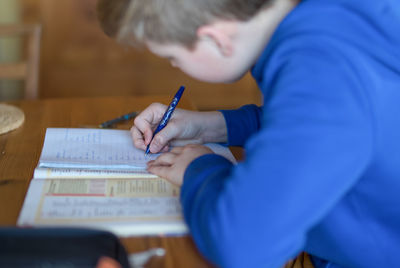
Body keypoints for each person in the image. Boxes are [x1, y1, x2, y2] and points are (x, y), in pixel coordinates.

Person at [96, 0, 400, 267]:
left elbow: (242, 245)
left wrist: (198, 168)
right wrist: (211, 126)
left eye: (172, 57)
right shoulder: (329, 21)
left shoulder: (321, 68)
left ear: (216, 40)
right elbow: (327, 130)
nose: (175, 66)